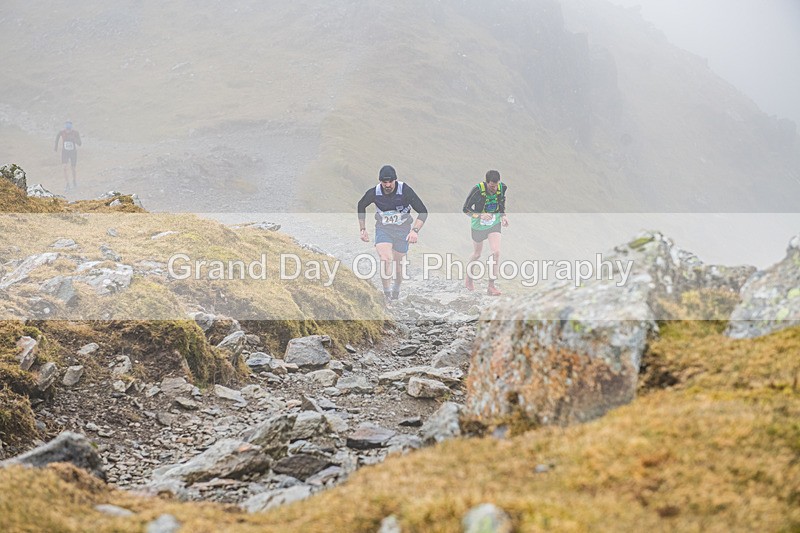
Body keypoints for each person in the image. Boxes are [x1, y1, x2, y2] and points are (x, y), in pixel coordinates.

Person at [357, 165, 428, 301]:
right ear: (380, 181)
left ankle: (396, 288)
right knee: (385, 259)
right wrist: (362, 229)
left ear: (395, 180)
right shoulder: (375, 192)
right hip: (384, 229)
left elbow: (423, 211)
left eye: (390, 182)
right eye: (384, 182)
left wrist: (415, 231)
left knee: (398, 266)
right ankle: (387, 294)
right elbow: (361, 205)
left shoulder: (405, 190)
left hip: (403, 231)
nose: (387, 185)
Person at [462, 170, 509, 295]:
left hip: (494, 223)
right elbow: (465, 209)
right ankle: (469, 279)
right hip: (478, 225)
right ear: (487, 182)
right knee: (477, 254)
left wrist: (503, 215)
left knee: (496, 252)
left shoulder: (502, 187)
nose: (494, 189)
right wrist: (480, 215)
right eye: (491, 186)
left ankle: (491, 286)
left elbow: (501, 202)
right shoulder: (477, 191)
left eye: (496, 185)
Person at [54, 120, 82, 191]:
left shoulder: (75, 133)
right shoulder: (62, 132)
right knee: (64, 167)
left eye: (69, 127)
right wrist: (56, 147)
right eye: (66, 127)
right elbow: (57, 137)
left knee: (73, 168)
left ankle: (74, 181)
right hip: (65, 152)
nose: (67, 129)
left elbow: (80, 143)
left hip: (73, 153)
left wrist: (73, 139)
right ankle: (67, 184)